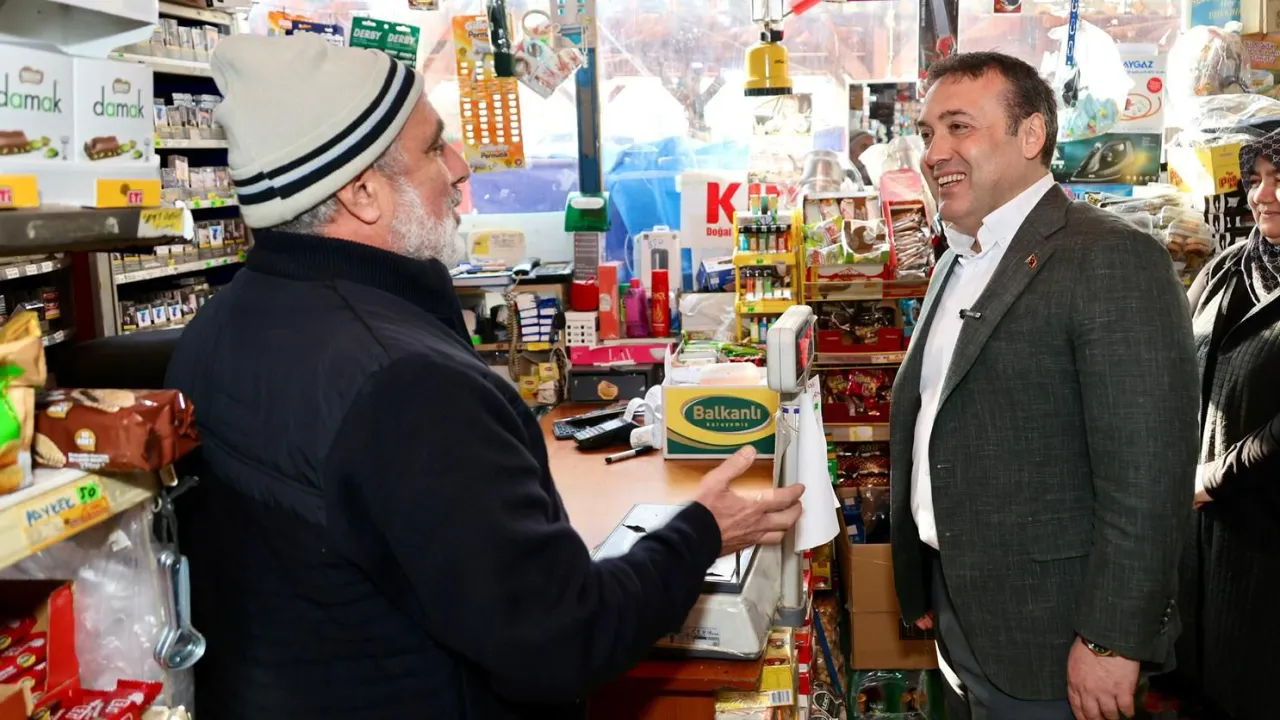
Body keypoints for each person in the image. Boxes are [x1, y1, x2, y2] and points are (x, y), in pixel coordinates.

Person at [164, 34, 804, 720]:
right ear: (363, 194)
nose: (460, 167)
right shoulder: (409, 384)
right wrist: (700, 532)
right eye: (435, 147)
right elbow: (561, 640)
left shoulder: (214, 328)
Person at [888, 51, 1200, 720]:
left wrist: (1112, 639)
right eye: (927, 133)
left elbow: (1149, 480)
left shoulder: (1111, 258)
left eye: (959, 127)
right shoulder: (956, 260)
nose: (934, 152)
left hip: (1057, 638)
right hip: (959, 611)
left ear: (1031, 135)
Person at [1168, 131, 1280, 720]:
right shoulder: (1225, 268)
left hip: (1265, 534)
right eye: (1257, 180)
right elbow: (1172, 364)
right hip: (1204, 541)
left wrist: (1212, 478)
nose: (1264, 195)